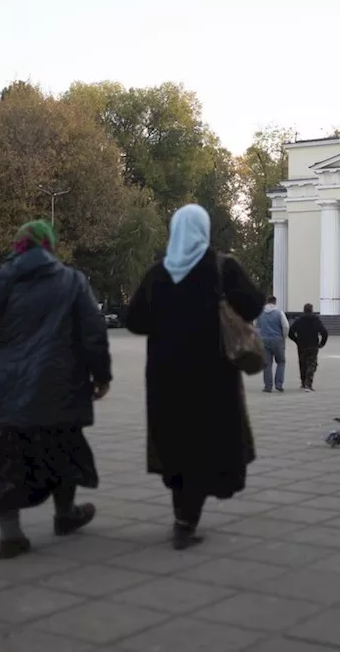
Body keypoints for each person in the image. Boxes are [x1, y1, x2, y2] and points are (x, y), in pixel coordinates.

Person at [0, 220, 111, 560]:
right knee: (63, 452)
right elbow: (93, 334)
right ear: (49, 246)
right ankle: (65, 515)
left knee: (2, 463)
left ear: (17, 247)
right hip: (61, 389)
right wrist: (101, 376)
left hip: (5, 392)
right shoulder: (72, 282)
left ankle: (10, 534)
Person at [126, 204, 263, 550]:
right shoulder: (222, 268)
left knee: (176, 445)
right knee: (207, 445)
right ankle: (186, 521)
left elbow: (134, 321)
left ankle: (182, 515)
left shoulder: (158, 274)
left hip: (165, 379)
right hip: (212, 379)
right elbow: (255, 304)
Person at [288, 303, 328, 391]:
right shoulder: (315, 319)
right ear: (312, 310)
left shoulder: (299, 320)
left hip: (302, 345)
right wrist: (322, 343)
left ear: (304, 310)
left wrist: (296, 340)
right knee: (312, 364)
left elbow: (290, 332)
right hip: (313, 345)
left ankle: (303, 383)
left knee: (302, 363)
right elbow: (324, 332)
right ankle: (308, 384)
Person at [256, 296, 291, 393]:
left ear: (267, 302)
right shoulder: (279, 312)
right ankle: (279, 384)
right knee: (281, 362)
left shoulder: (260, 313)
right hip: (277, 340)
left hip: (264, 340)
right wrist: (283, 337)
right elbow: (286, 326)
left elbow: (257, 328)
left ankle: (268, 386)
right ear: (275, 302)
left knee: (267, 364)